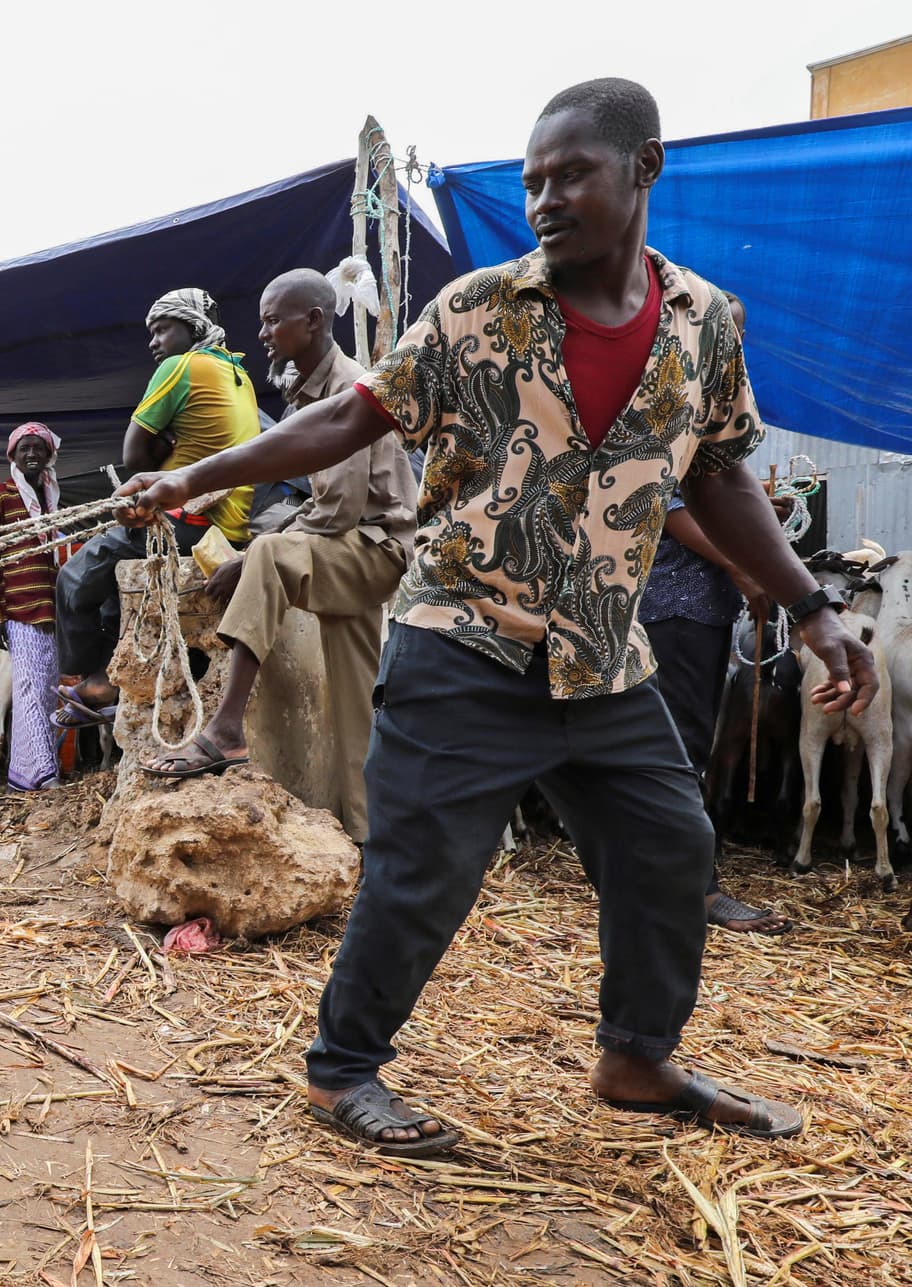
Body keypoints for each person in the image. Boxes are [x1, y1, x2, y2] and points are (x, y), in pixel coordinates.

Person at [119, 79, 877, 1152]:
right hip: (464, 637)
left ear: (645, 169)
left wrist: (810, 606)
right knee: (427, 868)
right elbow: (348, 416)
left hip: (604, 660)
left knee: (669, 849)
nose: (546, 199)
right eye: (532, 182)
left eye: (573, 174)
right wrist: (199, 481)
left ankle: (637, 1056)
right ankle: (342, 1074)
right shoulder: (478, 309)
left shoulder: (708, 323)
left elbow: (718, 476)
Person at [139, 269, 415, 846]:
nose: (262, 332)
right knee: (355, 706)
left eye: (273, 320)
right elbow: (321, 503)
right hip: (351, 547)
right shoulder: (303, 389)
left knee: (266, 553)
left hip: (372, 548)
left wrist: (259, 555)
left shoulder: (349, 389)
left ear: (313, 320)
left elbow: (336, 510)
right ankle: (373, 841)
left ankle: (226, 727)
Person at [637, 295, 790, 934]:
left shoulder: (714, 406)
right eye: (725, 331)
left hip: (698, 607)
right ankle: (691, 891)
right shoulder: (670, 395)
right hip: (675, 602)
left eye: (740, 335)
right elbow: (668, 506)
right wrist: (739, 563)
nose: (733, 345)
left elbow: (728, 491)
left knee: (686, 740)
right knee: (680, 744)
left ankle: (669, 878)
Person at [52, 288, 260, 727]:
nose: (153, 342)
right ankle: (115, 676)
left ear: (193, 328)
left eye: (162, 329)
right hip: (231, 527)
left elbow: (134, 457)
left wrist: (159, 456)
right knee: (114, 575)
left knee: (74, 578)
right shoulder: (238, 374)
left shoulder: (180, 366)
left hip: (189, 522)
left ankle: (94, 679)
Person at [0, 422, 66, 791]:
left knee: (48, 692)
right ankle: (46, 774)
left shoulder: (51, 500)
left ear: (49, 455)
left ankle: (24, 775)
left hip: (51, 612)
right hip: (18, 611)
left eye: (38, 448)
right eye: (24, 448)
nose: (31, 454)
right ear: (12, 455)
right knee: (28, 690)